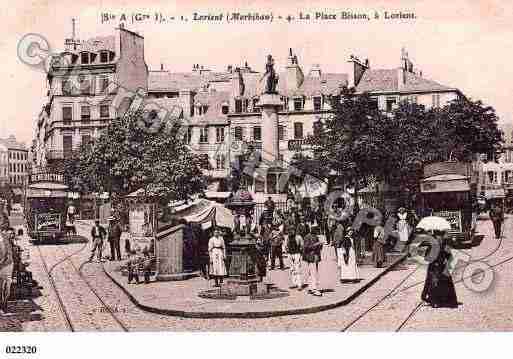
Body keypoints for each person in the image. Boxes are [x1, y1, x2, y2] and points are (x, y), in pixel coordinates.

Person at [420, 231, 459, 308]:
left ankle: (435, 301)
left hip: (434, 267)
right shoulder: (445, 242)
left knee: (432, 283)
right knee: (445, 282)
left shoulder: (432, 243)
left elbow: (427, 258)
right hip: (442, 266)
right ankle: (447, 300)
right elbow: (449, 255)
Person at [303, 226, 323, 296]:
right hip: (310, 257)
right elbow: (306, 247)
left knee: (311, 273)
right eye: (317, 231)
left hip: (315, 257)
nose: (317, 232)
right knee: (313, 273)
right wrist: (316, 244)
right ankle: (314, 289)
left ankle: (310, 287)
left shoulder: (315, 236)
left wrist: (320, 245)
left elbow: (318, 248)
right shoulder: (307, 237)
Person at [0, 227, 15, 312]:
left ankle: (4, 302)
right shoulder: (3, 240)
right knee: (4, 286)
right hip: (6, 266)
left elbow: (7, 256)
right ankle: (3, 303)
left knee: (5, 286)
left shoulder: (6, 240)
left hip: (7, 266)